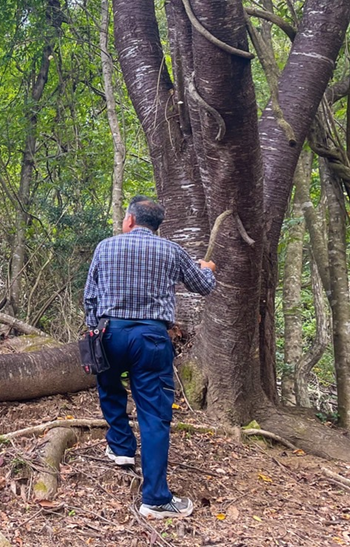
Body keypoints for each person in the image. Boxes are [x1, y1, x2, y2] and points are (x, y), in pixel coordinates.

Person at [83, 195, 216, 519]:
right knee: (154, 414)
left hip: (110, 332)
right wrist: (207, 269)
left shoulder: (106, 247)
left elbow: (90, 296)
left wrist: (94, 332)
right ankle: (155, 496)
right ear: (157, 226)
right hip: (151, 339)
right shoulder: (172, 251)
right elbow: (203, 287)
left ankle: (121, 446)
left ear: (129, 220)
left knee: (110, 388)